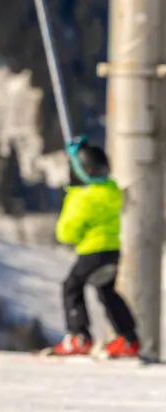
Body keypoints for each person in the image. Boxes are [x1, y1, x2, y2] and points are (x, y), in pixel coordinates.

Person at [52, 137, 140, 358]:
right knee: (107, 292)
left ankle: (79, 335)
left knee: (71, 286)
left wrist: (71, 195)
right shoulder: (112, 192)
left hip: (92, 250)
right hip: (113, 251)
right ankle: (128, 338)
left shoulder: (83, 198)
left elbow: (65, 233)